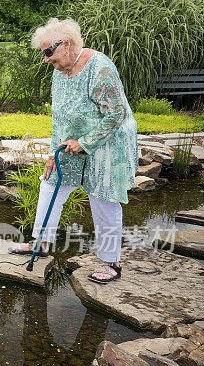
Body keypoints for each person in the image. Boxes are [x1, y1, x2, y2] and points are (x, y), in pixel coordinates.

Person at [9, 17, 139, 283]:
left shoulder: (99, 67)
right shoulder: (60, 71)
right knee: (50, 182)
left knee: (103, 197)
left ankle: (112, 262)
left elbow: (117, 113)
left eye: (48, 52)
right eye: (43, 53)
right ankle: (41, 244)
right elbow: (60, 118)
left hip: (108, 142)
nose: (45, 59)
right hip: (72, 141)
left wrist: (86, 142)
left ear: (65, 45)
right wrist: (50, 155)